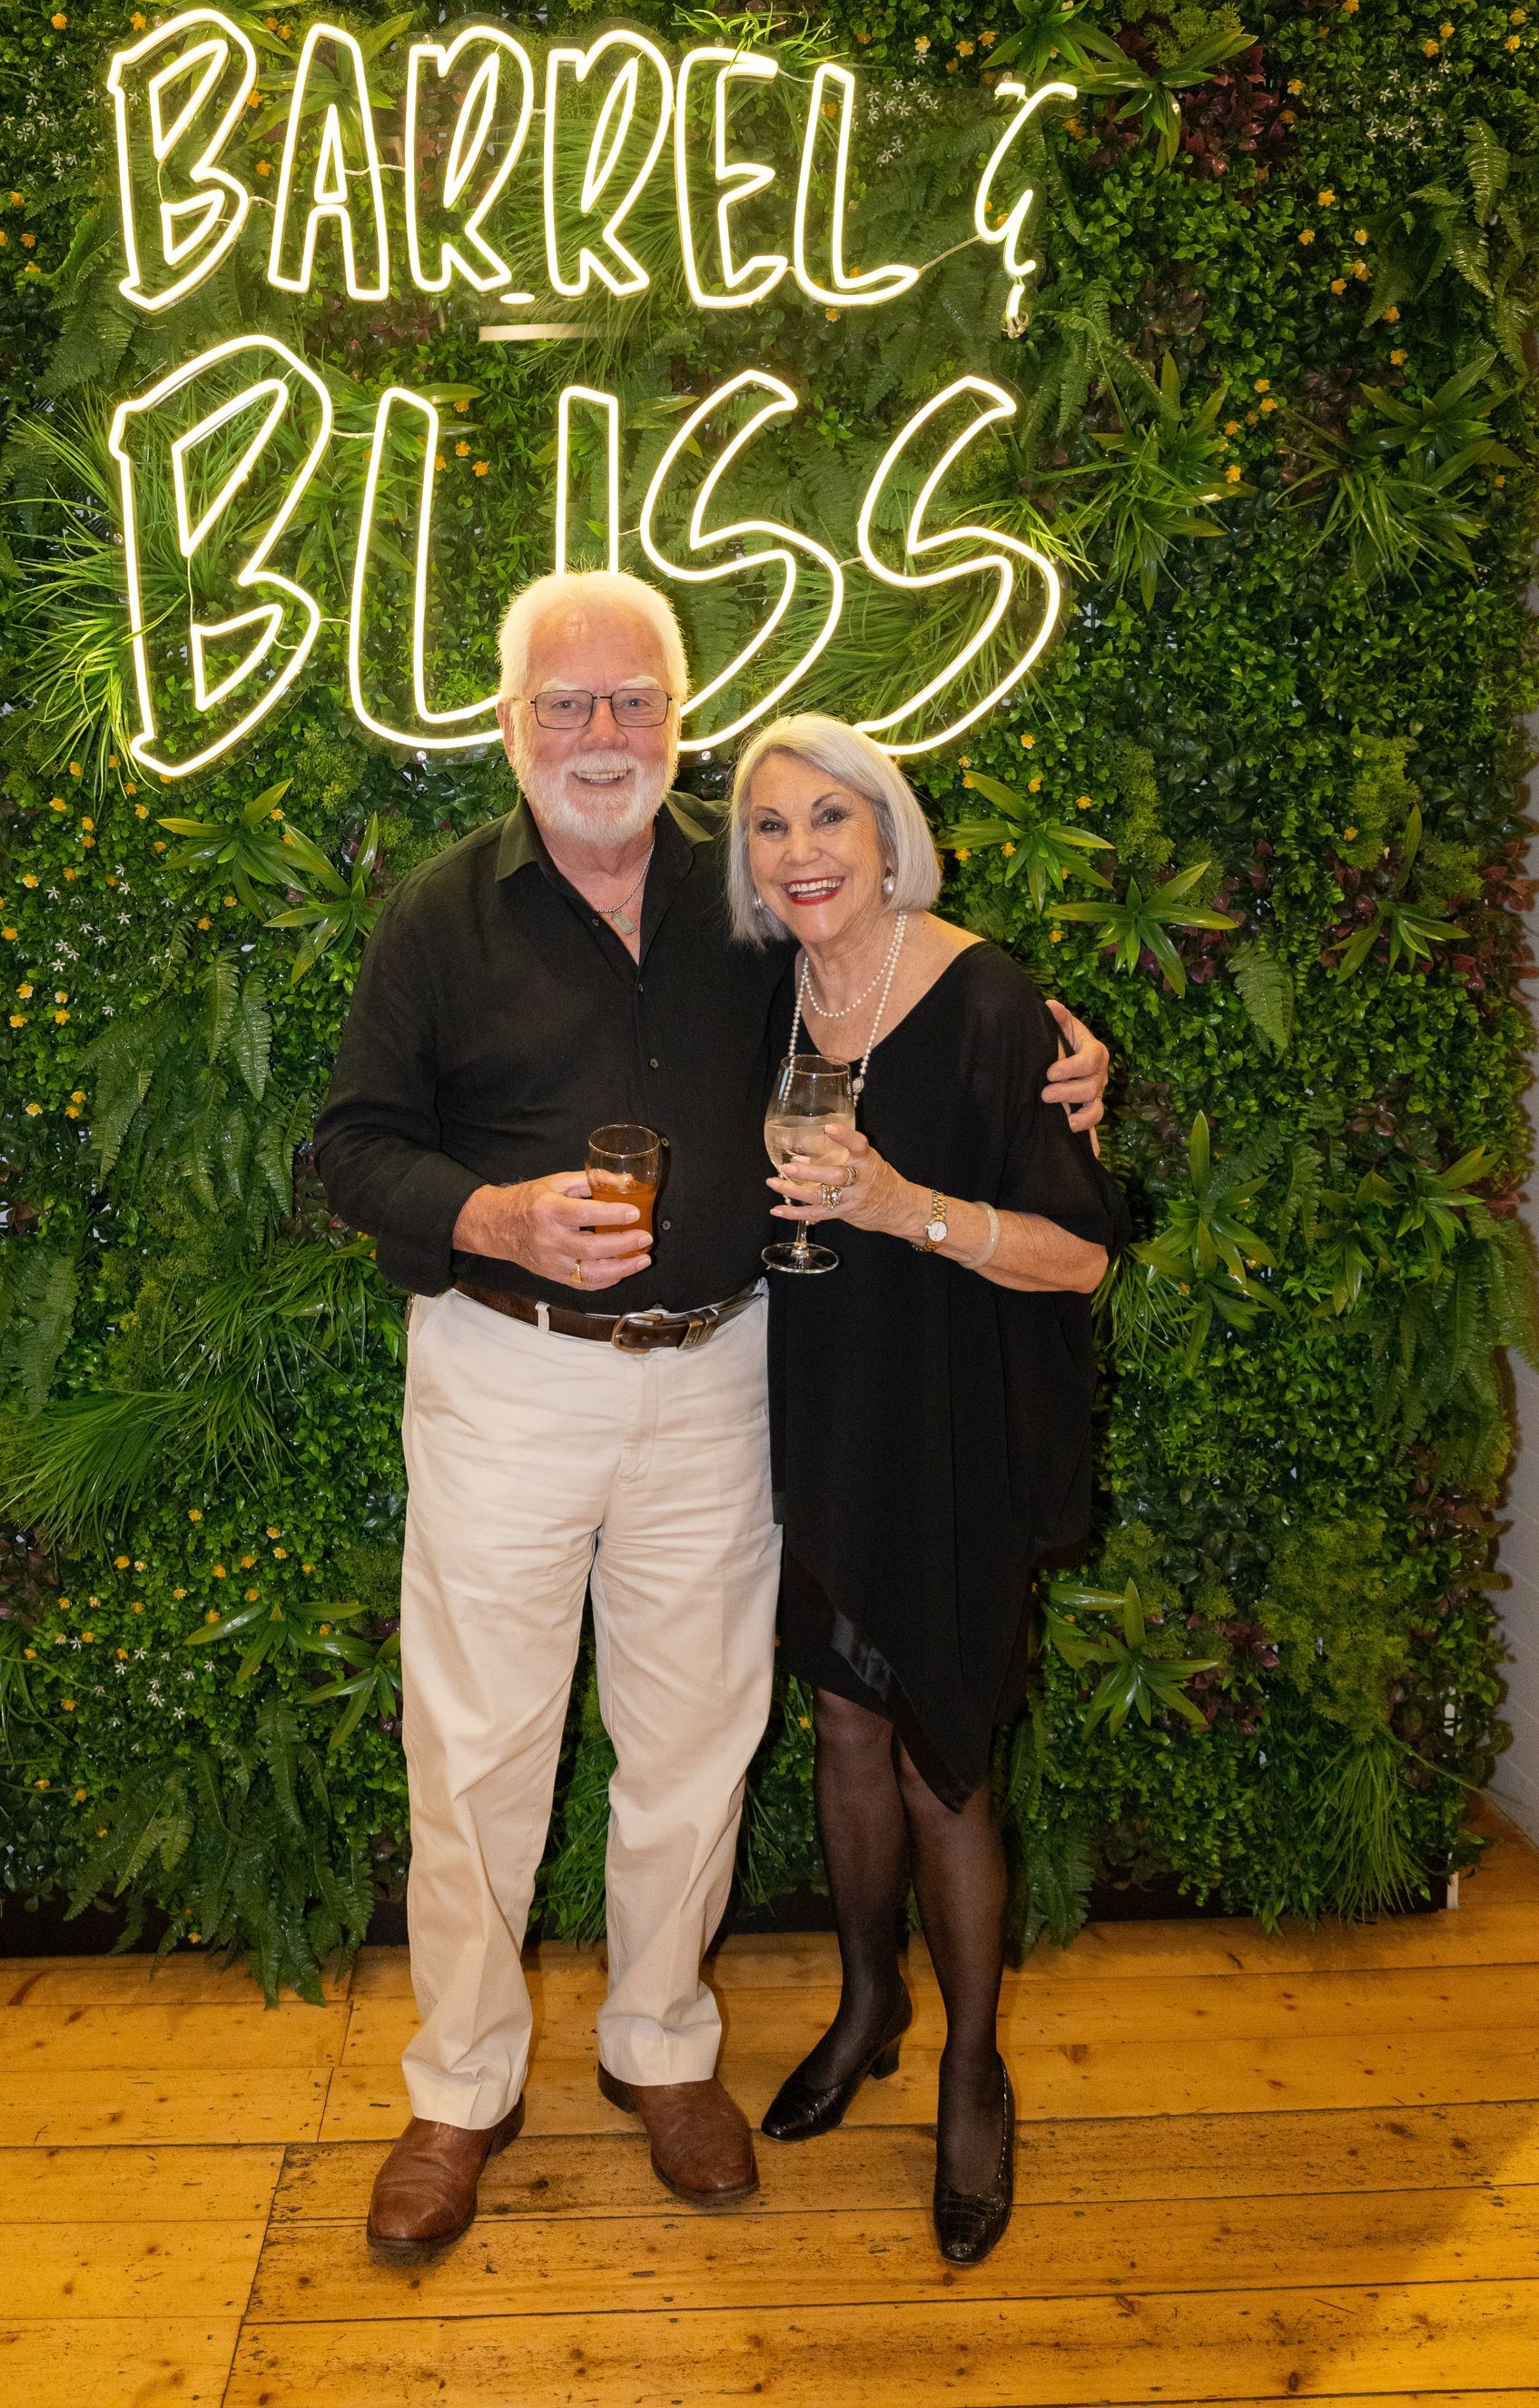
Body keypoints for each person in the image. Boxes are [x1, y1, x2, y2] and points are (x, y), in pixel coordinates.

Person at [312, 572, 1110, 2261]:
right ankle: (459, 2091)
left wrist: (1070, 1064)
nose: (600, 735)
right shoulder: (439, 917)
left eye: (632, 703)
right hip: (508, 1372)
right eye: (565, 703)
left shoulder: (749, 903)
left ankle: (664, 2049)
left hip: (724, 1378)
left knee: (695, 1740)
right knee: (476, 1754)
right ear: (511, 719)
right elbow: (353, 1145)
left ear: (677, 717)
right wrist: (496, 1218)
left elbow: (899, 998)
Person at [727, 712, 1129, 2266]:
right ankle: (868, 2004)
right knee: (843, 1721)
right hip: (819, 1416)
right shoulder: (766, 993)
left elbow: (1082, 1252)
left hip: (953, 1424)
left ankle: (972, 2068)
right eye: (771, 827)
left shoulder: (990, 1005)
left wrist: (905, 1206)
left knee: (942, 1755)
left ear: (890, 838)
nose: (803, 853)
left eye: (833, 819)